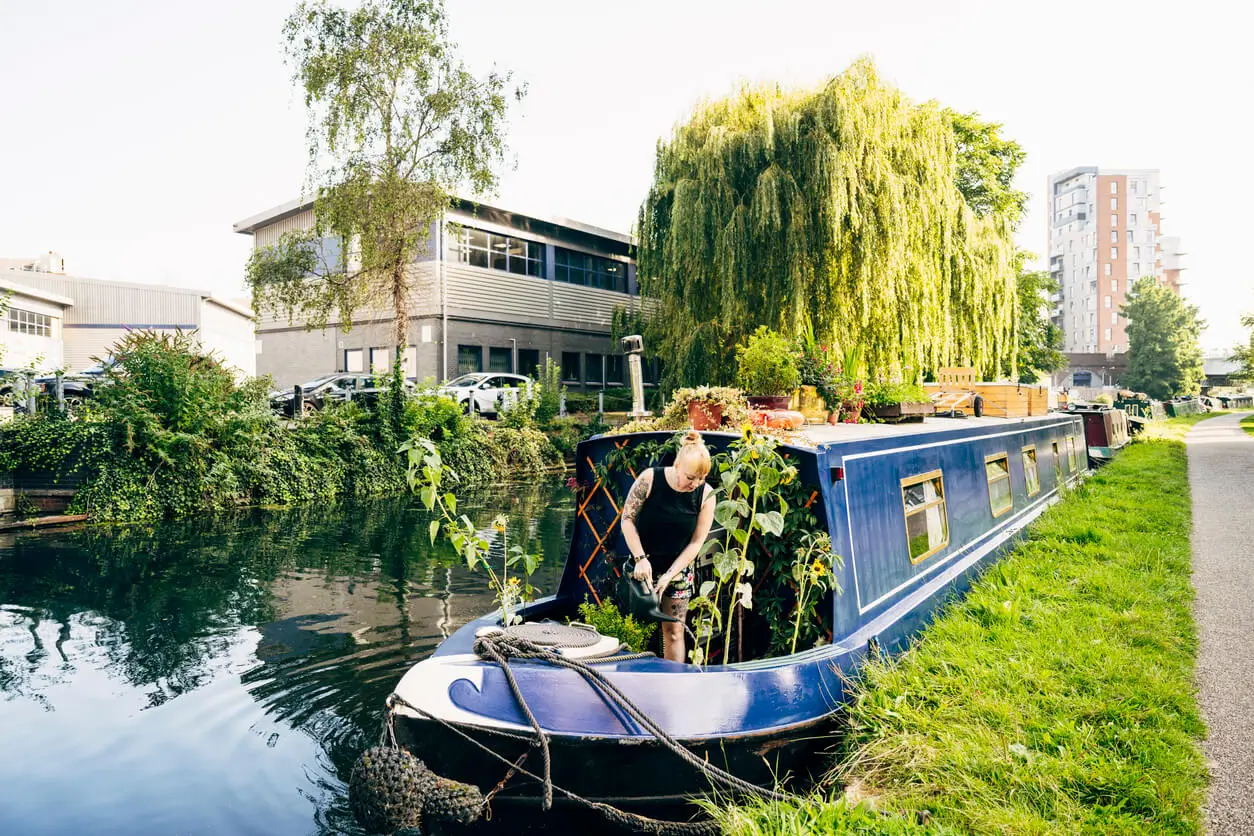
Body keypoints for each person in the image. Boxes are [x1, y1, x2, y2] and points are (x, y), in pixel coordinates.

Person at [620, 431, 716, 662]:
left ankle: (674, 679)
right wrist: (640, 558)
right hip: (642, 568)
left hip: (678, 571)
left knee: (674, 632)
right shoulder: (649, 479)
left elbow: (696, 543)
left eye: (701, 478)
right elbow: (627, 520)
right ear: (677, 465)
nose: (695, 484)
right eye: (691, 477)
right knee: (634, 628)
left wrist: (670, 575)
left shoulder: (706, 495)